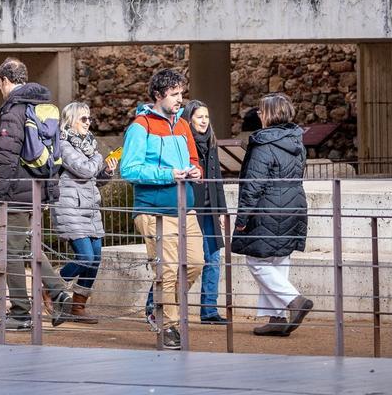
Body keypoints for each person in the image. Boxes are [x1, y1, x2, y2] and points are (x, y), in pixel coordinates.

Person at [0, 57, 72, 331]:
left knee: (10, 252)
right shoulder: (42, 106)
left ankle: (21, 313)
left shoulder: (14, 110)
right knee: (27, 247)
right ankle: (58, 292)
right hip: (37, 190)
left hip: (15, 193)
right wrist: (48, 193)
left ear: (4, 80)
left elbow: (5, 159)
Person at [119, 68, 204, 351]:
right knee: (167, 270)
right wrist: (168, 175)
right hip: (153, 210)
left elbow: (194, 159)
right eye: (174, 94)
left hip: (185, 207)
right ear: (158, 95)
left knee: (195, 263)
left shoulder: (183, 125)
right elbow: (129, 169)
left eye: (181, 93)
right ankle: (169, 325)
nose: (180, 99)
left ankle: (158, 307)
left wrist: (196, 171)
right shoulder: (139, 126)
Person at [231, 93, 313, 337]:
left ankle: (294, 300)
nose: (258, 114)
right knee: (279, 259)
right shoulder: (296, 141)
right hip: (294, 205)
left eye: (261, 110)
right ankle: (277, 317)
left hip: (267, 207)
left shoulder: (263, 144)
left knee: (256, 261)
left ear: (271, 114)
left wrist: (242, 219)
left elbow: (253, 185)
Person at [144, 99, 229, 328]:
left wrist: (222, 210)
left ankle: (209, 309)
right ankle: (153, 305)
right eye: (199, 117)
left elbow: (217, 180)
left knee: (213, 258)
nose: (204, 121)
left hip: (209, 210)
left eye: (207, 117)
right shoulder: (182, 142)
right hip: (190, 208)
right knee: (174, 264)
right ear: (189, 119)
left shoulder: (211, 143)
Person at [54, 101, 117, 324]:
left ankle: (78, 306)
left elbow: (94, 180)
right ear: (70, 120)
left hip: (90, 209)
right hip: (70, 209)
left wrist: (107, 171)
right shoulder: (63, 144)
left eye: (89, 118)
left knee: (96, 259)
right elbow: (85, 170)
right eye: (83, 118)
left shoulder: (87, 146)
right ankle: (50, 286)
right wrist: (100, 158)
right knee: (85, 257)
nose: (88, 122)